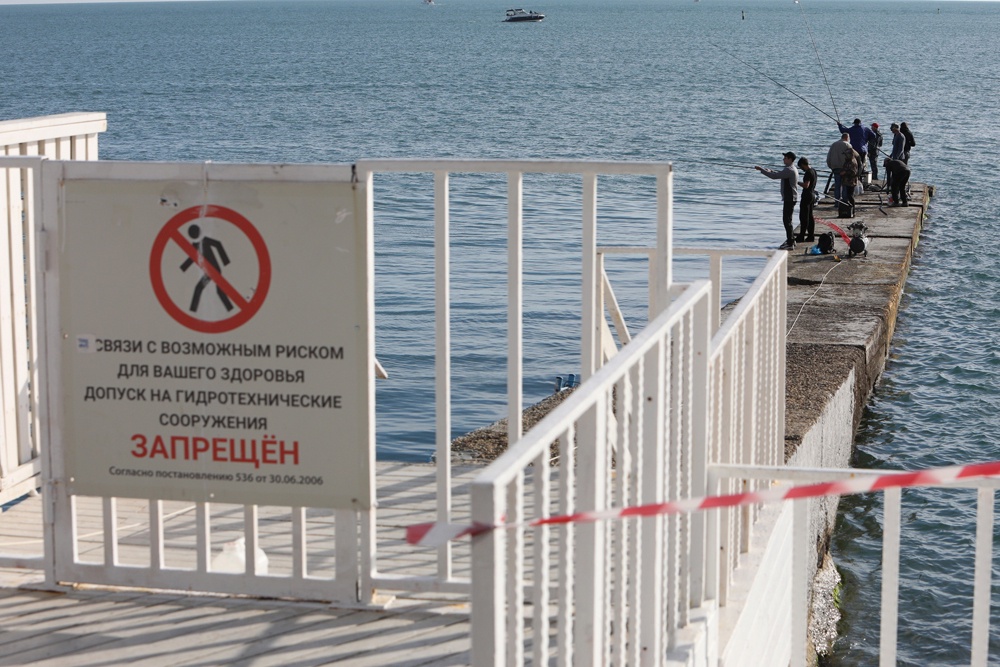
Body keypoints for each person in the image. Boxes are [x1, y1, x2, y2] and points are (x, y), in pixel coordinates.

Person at [755, 151, 799, 249]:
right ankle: (791, 240)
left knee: (787, 220)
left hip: (790, 198)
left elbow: (774, 176)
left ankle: (790, 243)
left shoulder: (789, 170)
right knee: (788, 220)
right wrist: (769, 170)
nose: (783, 159)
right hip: (790, 198)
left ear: (790, 159)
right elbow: (778, 174)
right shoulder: (791, 169)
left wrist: (761, 170)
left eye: (785, 158)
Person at [826, 133, 853, 208]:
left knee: (837, 186)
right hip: (844, 168)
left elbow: (829, 157)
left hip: (835, 168)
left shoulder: (834, 144)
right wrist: (849, 169)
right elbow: (851, 158)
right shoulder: (847, 145)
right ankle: (844, 202)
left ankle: (836, 203)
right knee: (845, 186)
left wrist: (831, 166)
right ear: (847, 138)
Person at [796, 157, 817, 243]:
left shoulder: (808, 173)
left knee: (803, 217)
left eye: (801, 167)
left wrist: (797, 182)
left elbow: (806, 185)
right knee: (810, 216)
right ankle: (811, 235)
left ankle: (801, 236)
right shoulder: (813, 171)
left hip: (807, 195)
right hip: (812, 194)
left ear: (803, 165)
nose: (802, 169)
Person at [839, 146, 860, 218]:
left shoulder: (852, 162)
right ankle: (847, 210)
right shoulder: (847, 161)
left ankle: (852, 210)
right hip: (846, 181)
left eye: (846, 154)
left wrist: (845, 172)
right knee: (847, 196)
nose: (845, 156)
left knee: (850, 196)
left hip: (851, 182)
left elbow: (854, 172)